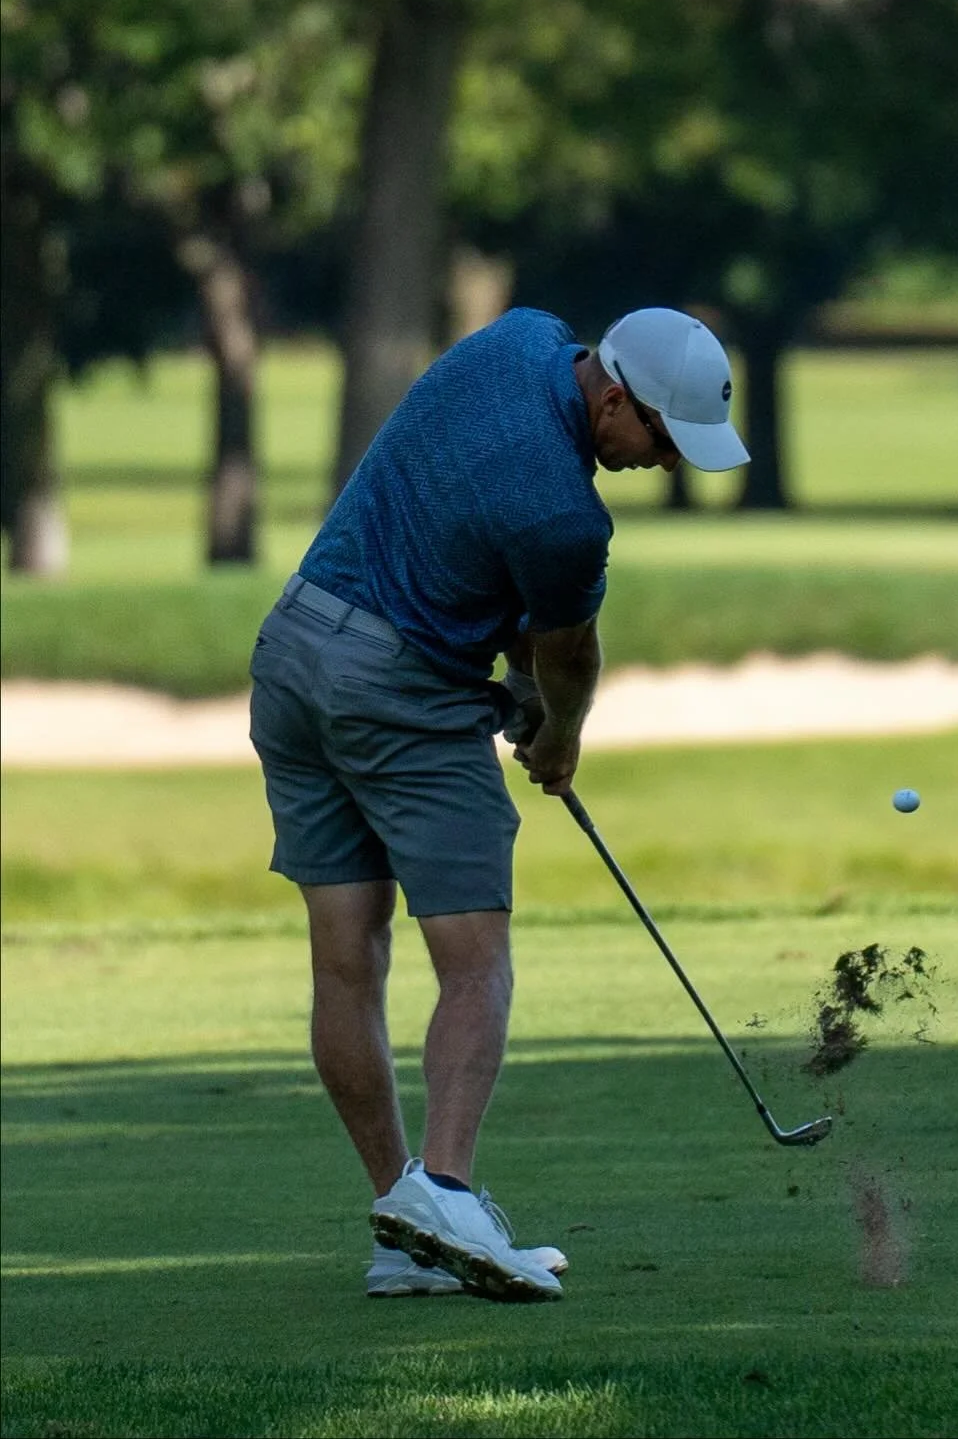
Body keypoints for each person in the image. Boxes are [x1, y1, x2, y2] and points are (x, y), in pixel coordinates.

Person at [248, 306, 748, 1301]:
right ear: (615, 400)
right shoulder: (569, 521)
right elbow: (568, 655)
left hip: (293, 653)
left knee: (348, 959)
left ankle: (405, 1230)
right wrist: (557, 737)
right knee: (475, 963)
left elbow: (483, 550)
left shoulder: (518, 337)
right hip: (398, 691)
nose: (665, 463)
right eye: (661, 438)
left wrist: (515, 685)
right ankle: (444, 1190)